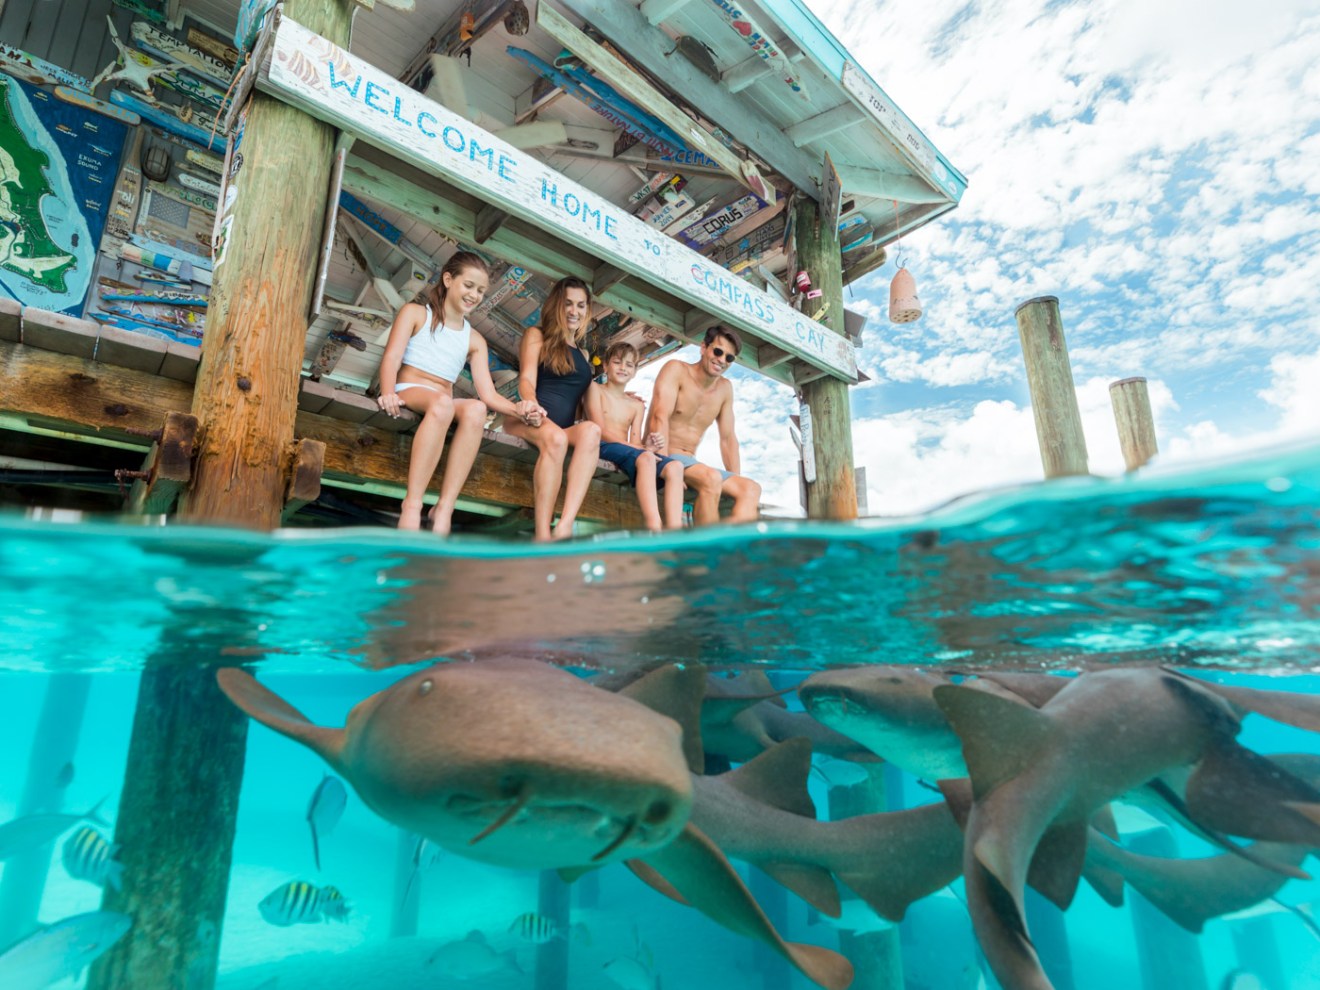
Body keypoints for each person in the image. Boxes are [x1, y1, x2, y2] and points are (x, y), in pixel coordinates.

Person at [376, 251, 546, 533]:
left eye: (480, 291)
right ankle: (413, 504)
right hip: (409, 389)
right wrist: (386, 391)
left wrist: (522, 409)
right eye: (469, 286)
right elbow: (392, 357)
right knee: (443, 403)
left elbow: (489, 396)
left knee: (477, 409)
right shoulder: (416, 313)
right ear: (448, 279)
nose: (474, 295)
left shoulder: (475, 339)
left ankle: (445, 506)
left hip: (442, 401)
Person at [500, 276, 602, 541]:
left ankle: (565, 525)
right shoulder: (537, 335)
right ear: (557, 304)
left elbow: (582, 405)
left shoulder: (583, 354)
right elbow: (526, 379)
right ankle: (542, 535)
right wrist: (530, 403)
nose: (574, 311)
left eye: (580, 305)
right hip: (527, 419)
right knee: (555, 438)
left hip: (561, 429)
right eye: (568, 303)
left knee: (591, 431)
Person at [645, 326, 761, 525]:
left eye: (729, 358)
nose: (722, 360)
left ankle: (729, 546)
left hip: (691, 463)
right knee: (712, 478)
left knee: (750, 489)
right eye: (718, 351)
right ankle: (707, 550)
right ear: (703, 348)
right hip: (662, 454)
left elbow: (728, 439)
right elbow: (659, 416)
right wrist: (667, 466)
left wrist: (734, 480)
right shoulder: (676, 370)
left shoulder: (724, 389)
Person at [585, 341, 685, 532]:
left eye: (629, 365)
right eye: (617, 362)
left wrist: (647, 446)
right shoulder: (595, 390)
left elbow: (636, 442)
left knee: (676, 466)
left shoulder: (637, 405)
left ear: (635, 371)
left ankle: (675, 531)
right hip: (602, 445)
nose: (623, 368)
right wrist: (640, 451)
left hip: (628, 452)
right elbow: (599, 429)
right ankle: (653, 526)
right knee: (645, 457)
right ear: (605, 366)